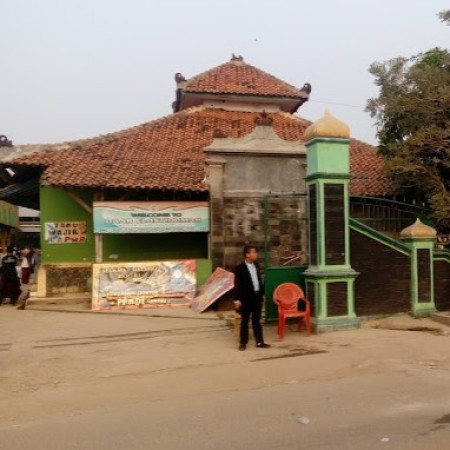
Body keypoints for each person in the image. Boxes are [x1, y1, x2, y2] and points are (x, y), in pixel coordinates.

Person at [233, 245, 270, 351]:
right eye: (253, 252)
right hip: (245, 298)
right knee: (245, 321)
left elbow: (258, 280)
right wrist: (236, 300)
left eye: (256, 252)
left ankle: (260, 342)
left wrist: (262, 294)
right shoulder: (240, 268)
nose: (255, 254)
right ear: (247, 255)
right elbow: (237, 285)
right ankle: (243, 342)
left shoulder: (256, 265)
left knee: (257, 321)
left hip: (256, 296)